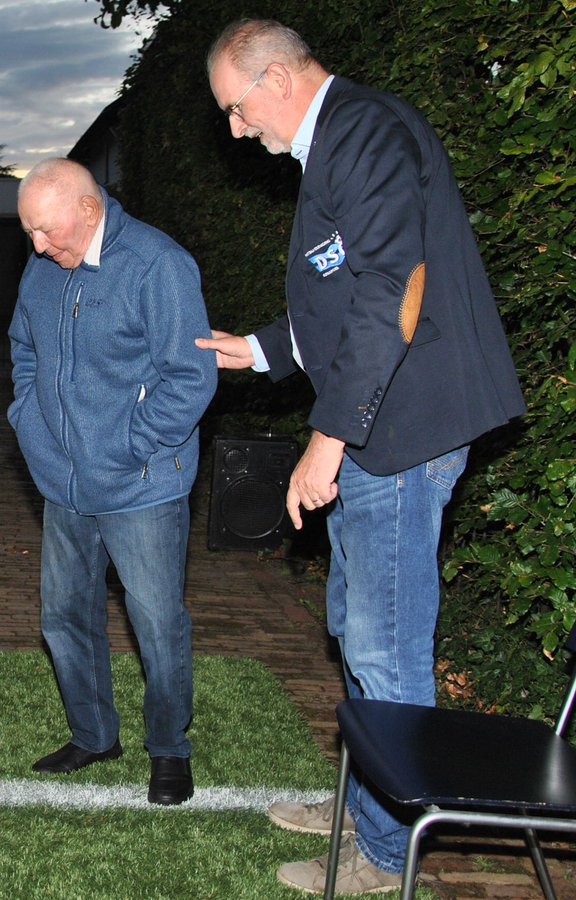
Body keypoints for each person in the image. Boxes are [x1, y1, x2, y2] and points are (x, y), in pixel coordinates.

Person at [200, 19, 525, 894]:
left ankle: (385, 853)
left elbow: (393, 294)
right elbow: (340, 292)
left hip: (402, 431)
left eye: (235, 108)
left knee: (385, 646)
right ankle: (365, 799)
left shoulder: (366, 132)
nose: (236, 130)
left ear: (274, 79)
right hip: (386, 426)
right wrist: (262, 350)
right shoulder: (337, 142)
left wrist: (327, 440)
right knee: (353, 624)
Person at [8, 158, 217, 806]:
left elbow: (191, 375)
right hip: (65, 485)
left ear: (89, 210)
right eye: (30, 233)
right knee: (64, 616)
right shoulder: (44, 268)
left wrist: (129, 445)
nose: (38, 247)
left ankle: (169, 750)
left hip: (141, 486)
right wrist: (31, 425)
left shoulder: (159, 265)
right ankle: (95, 734)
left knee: (156, 622)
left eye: (46, 230)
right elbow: (25, 350)